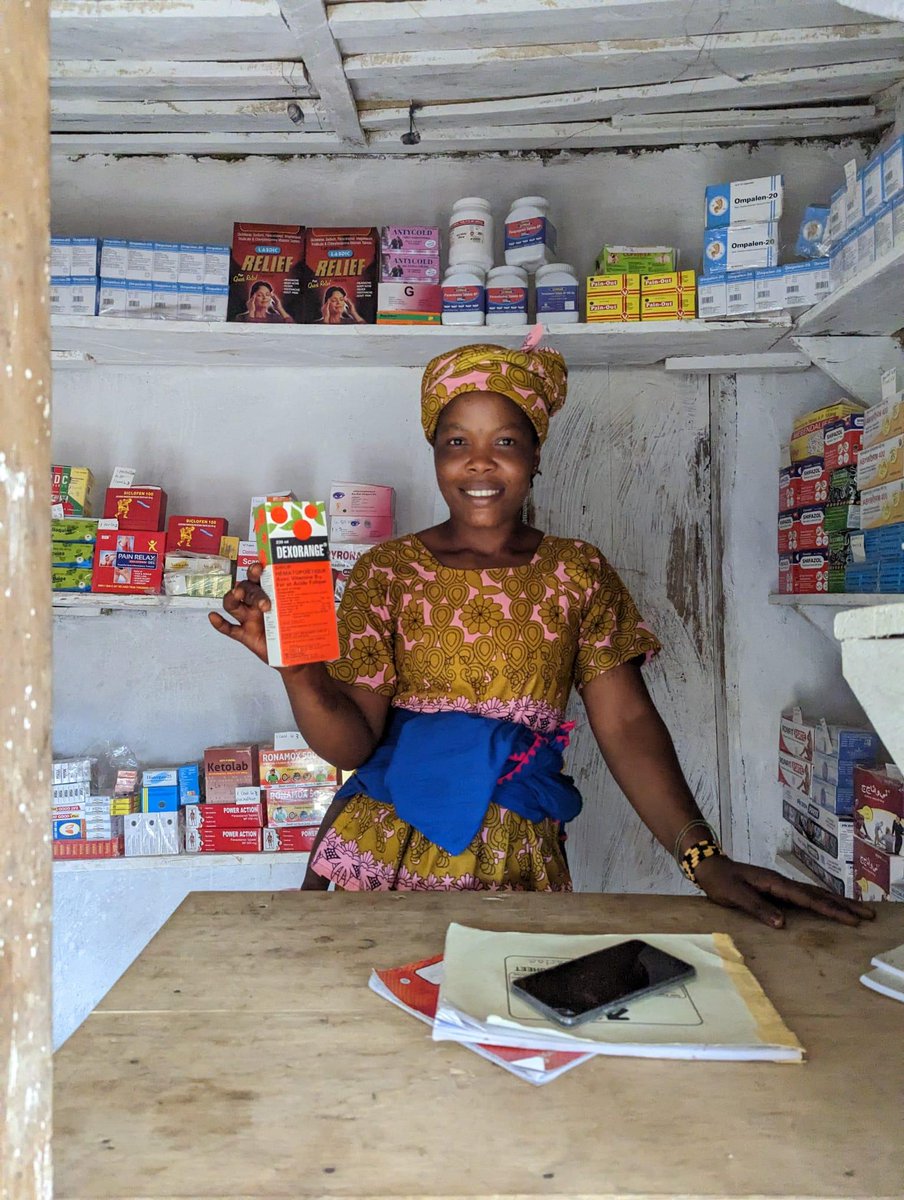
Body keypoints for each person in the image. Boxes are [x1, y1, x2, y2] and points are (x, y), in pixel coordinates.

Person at [211, 336, 873, 929]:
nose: (478, 463)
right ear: (436, 456)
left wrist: (704, 860)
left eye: (503, 441)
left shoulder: (575, 571)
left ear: (534, 456)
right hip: (382, 851)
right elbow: (353, 743)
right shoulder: (390, 570)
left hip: (514, 857)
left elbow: (627, 727)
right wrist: (297, 671)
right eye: (455, 443)